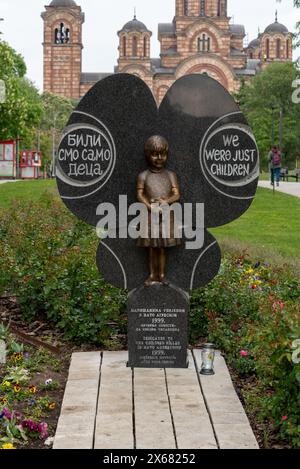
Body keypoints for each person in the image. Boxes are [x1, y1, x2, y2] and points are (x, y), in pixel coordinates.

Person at [137, 135, 181, 286]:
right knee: (151, 247)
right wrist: (150, 207)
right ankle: (151, 274)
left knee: (161, 247)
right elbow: (139, 194)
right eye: (155, 154)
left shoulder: (170, 175)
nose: (159, 158)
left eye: (163, 154)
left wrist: (165, 202)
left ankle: (161, 275)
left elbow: (176, 194)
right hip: (150, 216)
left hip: (165, 215)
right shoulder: (143, 175)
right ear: (147, 155)